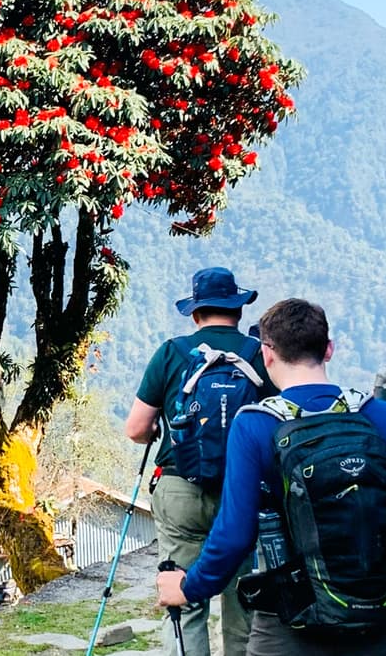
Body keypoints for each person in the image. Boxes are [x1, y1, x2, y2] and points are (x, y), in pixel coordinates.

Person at [156, 298, 386, 655]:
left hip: (289, 625)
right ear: (330, 350)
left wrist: (188, 587)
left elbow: (234, 536)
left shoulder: (256, 425)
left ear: (267, 353)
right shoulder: (382, 417)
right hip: (378, 621)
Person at [126, 266, 273, 656]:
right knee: (244, 601)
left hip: (180, 490)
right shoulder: (260, 355)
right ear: (238, 311)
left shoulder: (173, 352)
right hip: (243, 493)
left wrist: (159, 427)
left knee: (183, 603)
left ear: (195, 313)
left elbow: (136, 428)